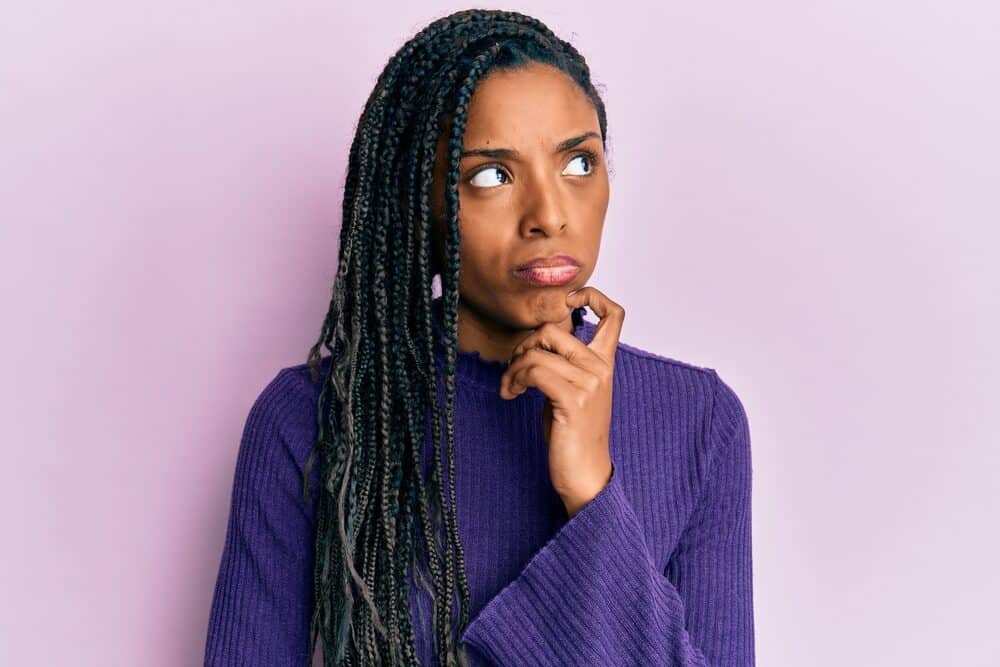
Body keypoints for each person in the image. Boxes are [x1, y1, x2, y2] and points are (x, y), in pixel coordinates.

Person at [204, 8, 755, 666]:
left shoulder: (699, 420)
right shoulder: (313, 419)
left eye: (579, 162)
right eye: (492, 175)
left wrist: (591, 491)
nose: (549, 215)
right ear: (423, 204)